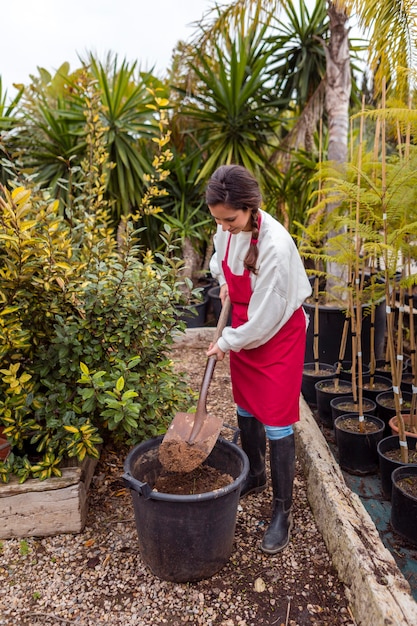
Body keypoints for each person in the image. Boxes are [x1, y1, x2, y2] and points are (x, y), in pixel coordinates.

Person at [205, 164, 312, 555]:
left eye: (229, 219)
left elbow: (268, 316)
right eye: (217, 219)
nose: (223, 226)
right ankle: (256, 473)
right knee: (245, 405)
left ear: (250, 208)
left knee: (277, 420)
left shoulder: (276, 247)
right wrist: (222, 282)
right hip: (244, 324)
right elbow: (221, 258)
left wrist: (228, 341)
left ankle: (283, 511)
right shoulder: (226, 228)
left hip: (277, 334)